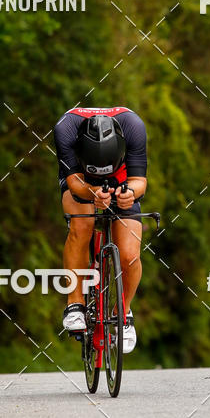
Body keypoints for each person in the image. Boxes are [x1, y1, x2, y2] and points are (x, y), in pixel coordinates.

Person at [54, 106, 147, 353]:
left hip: (121, 181)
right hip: (80, 179)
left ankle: (122, 312)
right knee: (81, 224)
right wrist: (92, 192)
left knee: (129, 254)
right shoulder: (65, 129)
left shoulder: (133, 126)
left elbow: (140, 181)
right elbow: (73, 182)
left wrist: (130, 195)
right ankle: (75, 303)